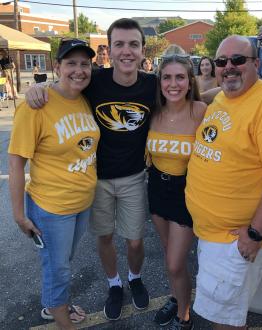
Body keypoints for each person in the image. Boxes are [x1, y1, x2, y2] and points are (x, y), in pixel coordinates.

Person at [24, 18, 157, 322]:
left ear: (142, 50)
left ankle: (134, 278)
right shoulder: (94, 80)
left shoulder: (152, 84)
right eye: (119, 44)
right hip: (96, 178)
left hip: (135, 176)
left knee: (135, 239)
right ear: (109, 50)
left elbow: (186, 94)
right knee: (105, 237)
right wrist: (38, 87)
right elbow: (63, 86)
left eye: (133, 44)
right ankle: (113, 285)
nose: (126, 51)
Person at [185, 35, 262, 329]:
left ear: (256, 63)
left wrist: (254, 234)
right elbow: (213, 95)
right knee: (229, 316)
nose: (229, 67)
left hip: (236, 240)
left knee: (224, 322)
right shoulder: (225, 97)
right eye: (221, 62)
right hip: (214, 235)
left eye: (238, 60)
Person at [8, 38, 99, 330]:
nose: (79, 70)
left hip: (81, 203)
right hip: (51, 207)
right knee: (57, 267)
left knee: (62, 262)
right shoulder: (36, 106)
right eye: (71, 63)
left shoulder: (84, 98)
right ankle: (63, 321)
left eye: (85, 64)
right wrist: (19, 215)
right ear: (56, 66)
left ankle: (55, 305)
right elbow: (15, 163)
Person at [147, 45, 206, 330]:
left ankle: (184, 315)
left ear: (190, 80)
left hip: (186, 193)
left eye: (180, 77)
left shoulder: (201, 111)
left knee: (173, 262)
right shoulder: (153, 112)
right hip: (157, 188)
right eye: (167, 77)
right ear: (159, 82)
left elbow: (232, 96)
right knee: (170, 251)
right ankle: (175, 297)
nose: (173, 84)